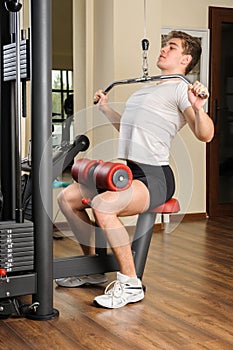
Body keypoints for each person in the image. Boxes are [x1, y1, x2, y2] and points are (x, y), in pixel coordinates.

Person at [56, 30, 214, 308]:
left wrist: (199, 108)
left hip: (155, 177)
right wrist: (105, 108)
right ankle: (94, 269)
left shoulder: (180, 88)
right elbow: (128, 129)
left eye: (172, 47)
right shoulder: (147, 88)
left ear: (186, 58)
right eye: (164, 45)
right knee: (67, 198)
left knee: (104, 206)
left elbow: (206, 135)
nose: (163, 49)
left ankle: (130, 284)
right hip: (129, 170)